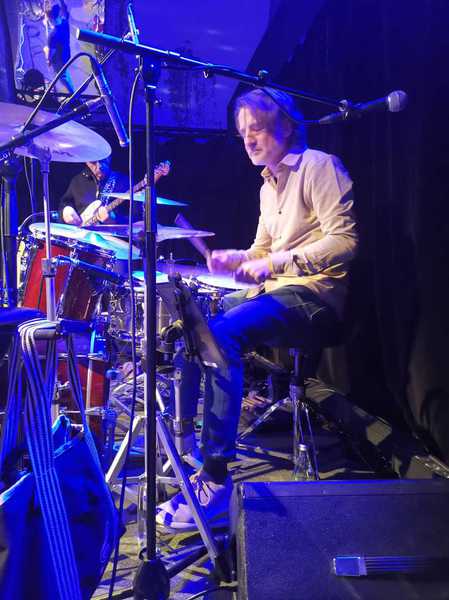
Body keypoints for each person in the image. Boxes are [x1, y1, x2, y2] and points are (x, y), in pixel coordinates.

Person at [156, 87, 358, 530]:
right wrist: (236, 258)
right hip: (278, 291)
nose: (248, 139)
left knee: (220, 334)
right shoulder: (268, 186)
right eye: (242, 131)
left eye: (258, 128)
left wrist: (274, 264)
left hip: (315, 298)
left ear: (286, 126)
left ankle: (215, 478)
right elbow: (263, 250)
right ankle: (187, 445)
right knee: (191, 326)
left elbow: (344, 241)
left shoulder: (319, 166)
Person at [59, 156, 131, 226]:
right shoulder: (77, 181)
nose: (99, 166)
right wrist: (65, 212)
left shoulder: (124, 181)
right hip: (80, 233)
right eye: (93, 162)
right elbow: (64, 204)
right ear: (87, 162)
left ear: (109, 157)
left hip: (111, 234)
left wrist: (116, 220)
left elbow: (136, 219)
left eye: (103, 160)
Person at [44, 1, 75, 95]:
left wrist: (48, 60)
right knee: (66, 75)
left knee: (63, 78)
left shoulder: (52, 35)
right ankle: (74, 94)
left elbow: (51, 53)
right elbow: (65, 10)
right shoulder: (65, 23)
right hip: (66, 56)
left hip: (57, 61)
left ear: (51, 19)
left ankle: (74, 95)